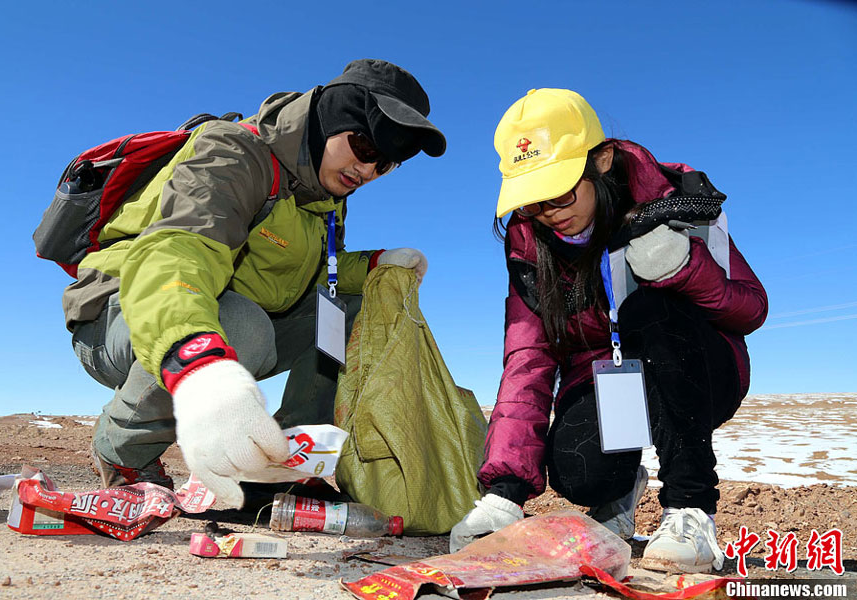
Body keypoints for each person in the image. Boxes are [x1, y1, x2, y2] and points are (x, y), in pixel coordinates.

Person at [65, 59, 446, 508]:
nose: (367, 171)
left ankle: (285, 459)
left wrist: (379, 264)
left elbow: (318, 274)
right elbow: (180, 251)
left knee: (348, 308)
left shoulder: (327, 196)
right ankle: (121, 450)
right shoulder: (230, 152)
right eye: (363, 145)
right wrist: (201, 367)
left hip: (233, 326)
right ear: (329, 119)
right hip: (126, 316)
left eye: (385, 164)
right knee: (241, 323)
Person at [450, 89, 767, 573]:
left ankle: (690, 511)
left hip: (699, 371)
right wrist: (504, 494)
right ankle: (620, 496)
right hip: (608, 378)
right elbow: (528, 356)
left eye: (558, 191)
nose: (549, 212)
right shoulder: (528, 246)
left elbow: (751, 309)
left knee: (654, 305)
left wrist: (684, 268)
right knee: (580, 477)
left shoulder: (673, 204)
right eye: (532, 201)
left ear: (600, 160)